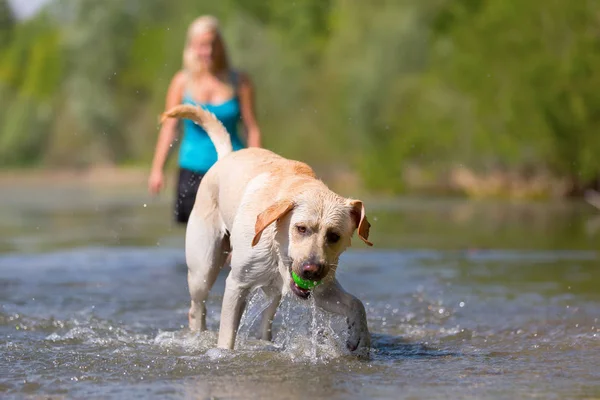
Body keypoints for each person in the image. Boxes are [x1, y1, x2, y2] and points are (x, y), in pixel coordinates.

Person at [148, 15, 262, 224]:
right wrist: (157, 170)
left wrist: (258, 169)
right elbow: (169, 129)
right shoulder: (181, 83)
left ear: (220, 46)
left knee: (232, 235)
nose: (208, 52)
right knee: (196, 241)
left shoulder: (240, 82)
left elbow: (251, 128)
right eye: (202, 45)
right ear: (191, 47)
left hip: (232, 170)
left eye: (212, 45)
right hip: (192, 171)